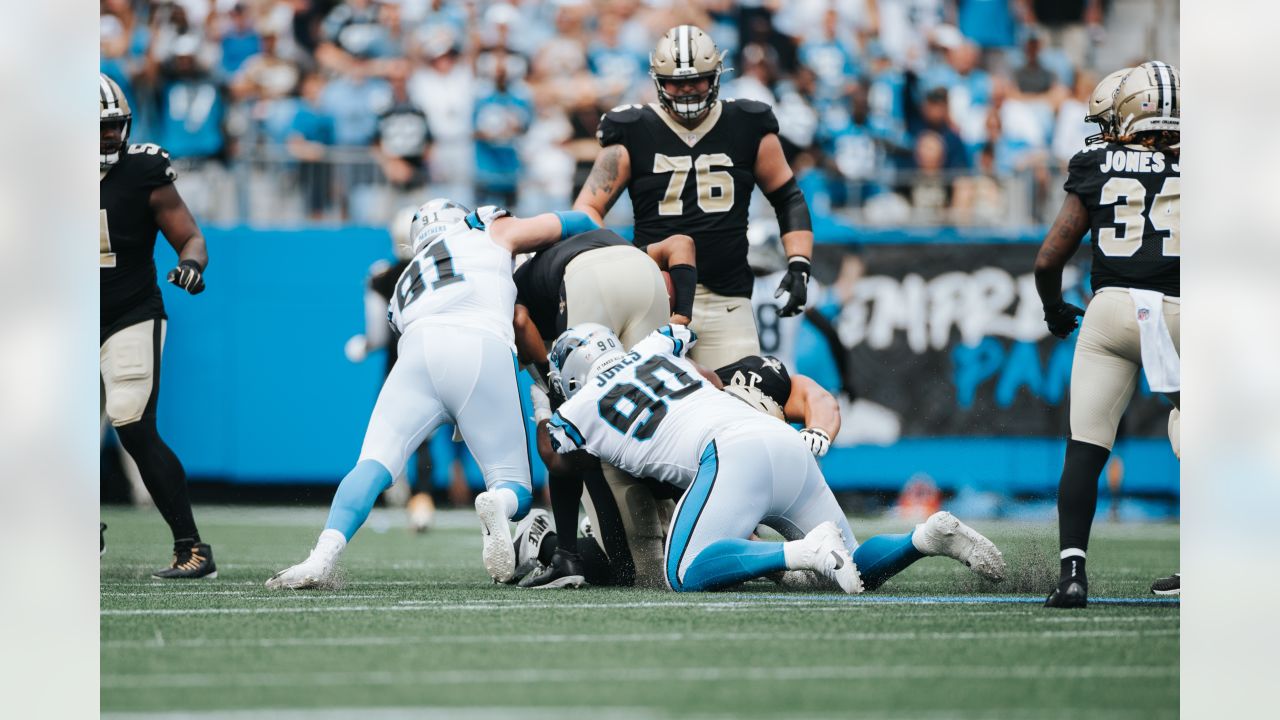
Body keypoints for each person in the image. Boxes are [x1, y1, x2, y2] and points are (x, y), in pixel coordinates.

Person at [266, 202, 599, 589]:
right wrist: (597, 224)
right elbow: (573, 223)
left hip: (415, 355)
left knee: (372, 464)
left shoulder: (403, 281)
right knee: (517, 491)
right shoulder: (482, 230)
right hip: (481, 345)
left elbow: (391, 332)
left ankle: (320, 559)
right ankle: (499, 505)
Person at [531, 323, 1006, 593]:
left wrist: (540, 411)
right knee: (853, 569)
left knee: (684, 571)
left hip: (727, 455)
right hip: (779, 437)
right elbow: (701, 364)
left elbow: (558, 459)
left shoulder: (577, 406)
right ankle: (924, 538)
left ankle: (802, 553)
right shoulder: (655, 347)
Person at [572, 25, 816, 371]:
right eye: (676, 82)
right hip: (654, 295)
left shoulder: (747, 123)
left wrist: (799, 264)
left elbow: (788, 197)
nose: (687, 90)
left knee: (744, 406)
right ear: (658, 80)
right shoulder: (633, 128)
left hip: (726, 300)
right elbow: (588, 209)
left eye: (697, 80)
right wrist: (614, 266)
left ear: (716, 75)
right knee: (654, 415)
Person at [1033, 62, 1180, 608]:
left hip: (1110, 311)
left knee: (1087, 446)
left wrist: (1053, 309)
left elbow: (1049, 258)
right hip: (1181, 314)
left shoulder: (1096, 162)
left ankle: (1072, 572)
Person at [510, 229, 696, 589]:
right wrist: (683, 316)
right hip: (644, 276)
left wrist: (549, 383)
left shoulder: (518, 286)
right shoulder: (600, 246)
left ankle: (568, 555)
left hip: (586, 285)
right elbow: (681, 244)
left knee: (579, 433)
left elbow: (519, 320)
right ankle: (707, 519)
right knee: (652, 409)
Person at [99, 73, 215, 579]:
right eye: (98, 129)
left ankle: (192, 548)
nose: (110, 137)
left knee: (133, 423)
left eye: (114, 127)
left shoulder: (143, 169)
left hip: (129, 311)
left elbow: (190, 237)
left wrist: (191, 265)